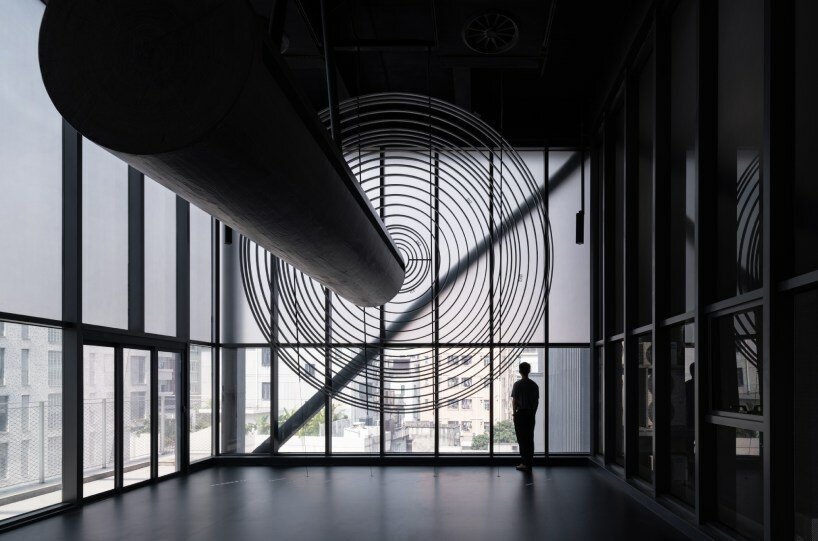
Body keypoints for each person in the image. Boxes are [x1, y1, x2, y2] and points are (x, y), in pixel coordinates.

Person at [511, 362, 539, 471]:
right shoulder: (534, 385)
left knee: (521, 439)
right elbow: (536, 402)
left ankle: (524, 462)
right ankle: (529, 463)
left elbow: (514, 401)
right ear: (529, 371)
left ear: (520, 371)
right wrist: (533, 413)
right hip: (530, 414)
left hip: (521, 414)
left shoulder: (517, 385)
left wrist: (514, 413)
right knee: (529, 438)